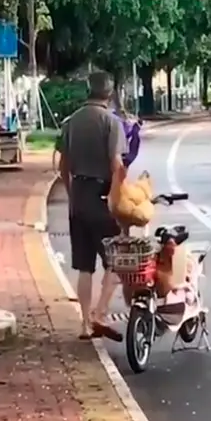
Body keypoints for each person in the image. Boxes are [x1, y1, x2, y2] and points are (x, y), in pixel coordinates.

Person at [56, 71, 128, 342]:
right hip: (101, 194)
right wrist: (116, 196)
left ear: (88, 90)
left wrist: (72, 191)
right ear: (109, 94)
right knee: (118, 257)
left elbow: (63, 165)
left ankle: (85, 324)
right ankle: (100, 313)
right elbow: (116, 164)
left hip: (78, 196)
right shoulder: (111, 122)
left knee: (84, 265)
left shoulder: (71, 122)